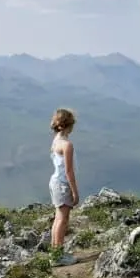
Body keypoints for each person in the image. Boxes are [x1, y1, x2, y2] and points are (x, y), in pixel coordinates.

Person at [49, 108, 80, 266]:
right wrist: (75, 192)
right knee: (63, 219)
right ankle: (57, 256)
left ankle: (55, 252)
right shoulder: (67, 145)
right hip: (62, 185)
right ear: (69, 125)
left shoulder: (56, 141)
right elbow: (69, 171)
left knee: (58, 218)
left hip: (54, 182)